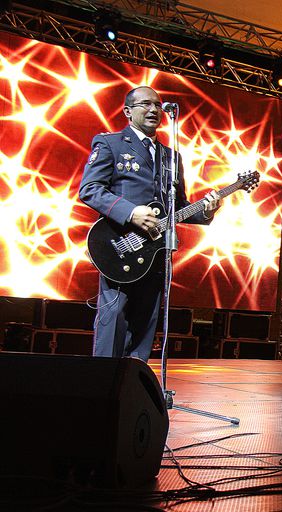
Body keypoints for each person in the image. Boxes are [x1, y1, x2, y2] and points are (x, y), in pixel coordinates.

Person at [79, 86, 220, 361]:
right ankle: (103, 381)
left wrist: (206, 211)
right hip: (121, 246)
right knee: (114, 318)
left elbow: (177, 207)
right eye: (145, 104)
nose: (154, 109)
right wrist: (131, 212)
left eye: (157, 104)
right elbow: (90, 189)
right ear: (128, 111)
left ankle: (133, 380)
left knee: (145, 324)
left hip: (156, 252)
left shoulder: (171, 157)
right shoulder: (111, 144)